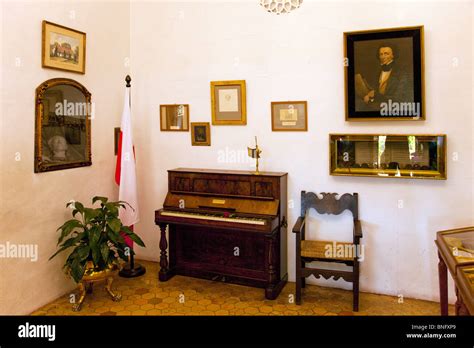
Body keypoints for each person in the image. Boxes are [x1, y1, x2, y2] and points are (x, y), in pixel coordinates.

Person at [355, 44, 413, 111]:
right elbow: (376, 91)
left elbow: (399, 98)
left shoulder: (401, 72)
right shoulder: (379, 72)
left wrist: (376, 95)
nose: (383, 56)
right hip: (378, 107)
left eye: (386, 54)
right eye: (381, 54)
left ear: (393, 55)